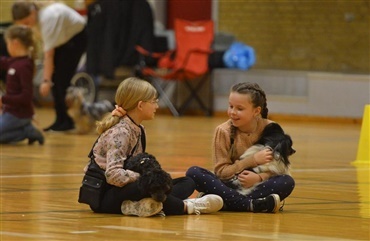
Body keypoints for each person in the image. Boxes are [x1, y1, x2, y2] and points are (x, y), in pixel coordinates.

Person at [82, 77, 223, 217]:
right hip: (104, 197)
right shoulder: (120, 132)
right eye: (154, 101)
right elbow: (113, 176)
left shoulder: (139, 129)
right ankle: (188, 206)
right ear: (140, 105)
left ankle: (141, 206)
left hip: (125, 190)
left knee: (188, 182)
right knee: (148, 185)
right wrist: (144, 177)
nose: (157, 105)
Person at [186, 82, 295, 213]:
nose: (232, 112)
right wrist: (252, 160)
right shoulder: (223, 131)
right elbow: (221, 172)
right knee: (193, 172)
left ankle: (224, 202)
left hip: (257, 185)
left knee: (287, 182)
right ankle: (251, 204)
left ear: (256, 111)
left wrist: (259, 178)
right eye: (230, 106)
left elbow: (280, 169)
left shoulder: (272, 129)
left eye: (239, 108)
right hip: (229, 184)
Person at [12, 1, 87, 131]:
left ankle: (67, 121)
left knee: (60, 81)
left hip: (76, 38)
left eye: (26, 22)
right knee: (56, 79)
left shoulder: (48, 19)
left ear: (32, 13)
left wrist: (45, 81)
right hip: (63, 40)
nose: (25, 27)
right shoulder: (35, 22)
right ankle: (60, 120)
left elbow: (49, 55)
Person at [0, 25, 44, 145]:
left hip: (20, 115)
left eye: (7, 43)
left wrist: (3, 99)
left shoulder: (24, 66)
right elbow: (3, 62)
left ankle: (28, 131)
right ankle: (24, 129)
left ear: (15, 43)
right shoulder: (13, 62)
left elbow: (26, 97)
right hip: (10, 112)